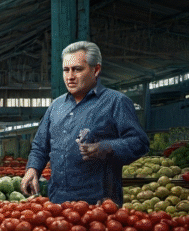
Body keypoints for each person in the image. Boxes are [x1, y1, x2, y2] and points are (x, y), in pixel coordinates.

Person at [21, 41, 149, 206]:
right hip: (57, 203)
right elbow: (40, 146)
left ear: (96, 70)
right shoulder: (56, 106)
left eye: (77, 69)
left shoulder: (116, 102)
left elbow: (140, 142)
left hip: (98, 205)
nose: (70, 76)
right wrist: (33, 169)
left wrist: (106, 147)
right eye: (66, 70)